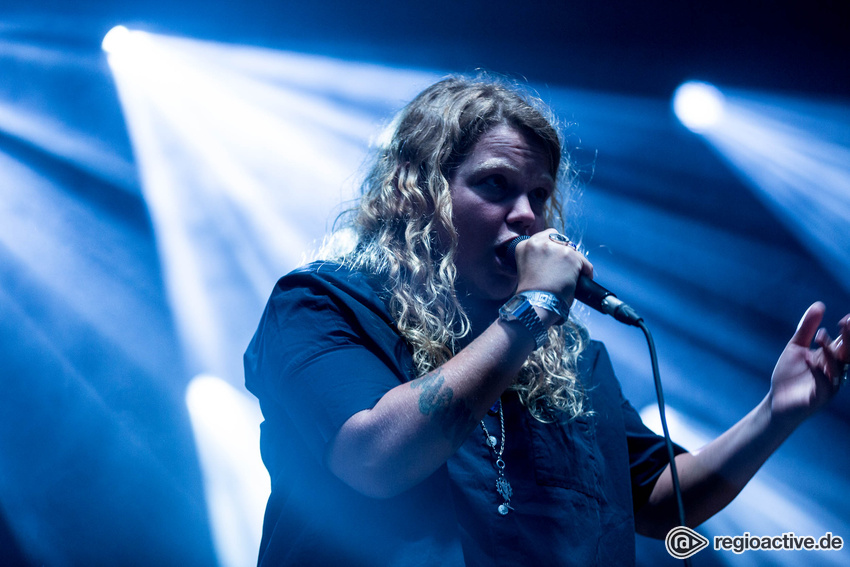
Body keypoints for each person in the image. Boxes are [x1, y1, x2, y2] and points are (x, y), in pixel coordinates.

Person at [244, 74, 849, 566]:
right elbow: (374, 458)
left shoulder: (572, 358)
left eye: (538, 194)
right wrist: (529, 313)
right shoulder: (324, 304)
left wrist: (777, 413)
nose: (527, 216)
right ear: (419, 194)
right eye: (495, 186)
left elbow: (662, 501)